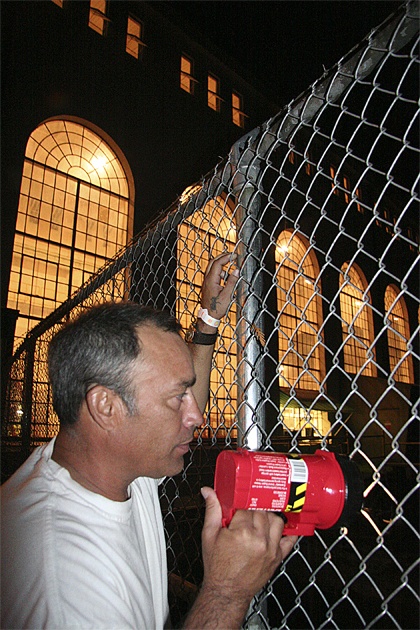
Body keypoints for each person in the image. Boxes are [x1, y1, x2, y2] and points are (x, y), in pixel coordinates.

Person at [1, 253, 297, 629]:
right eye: (177, 398)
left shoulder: (103, 460)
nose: (196, 416)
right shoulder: (67, 584)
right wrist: (226, 591)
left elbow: (176, 407)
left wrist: (207, 319)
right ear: (106, 406)